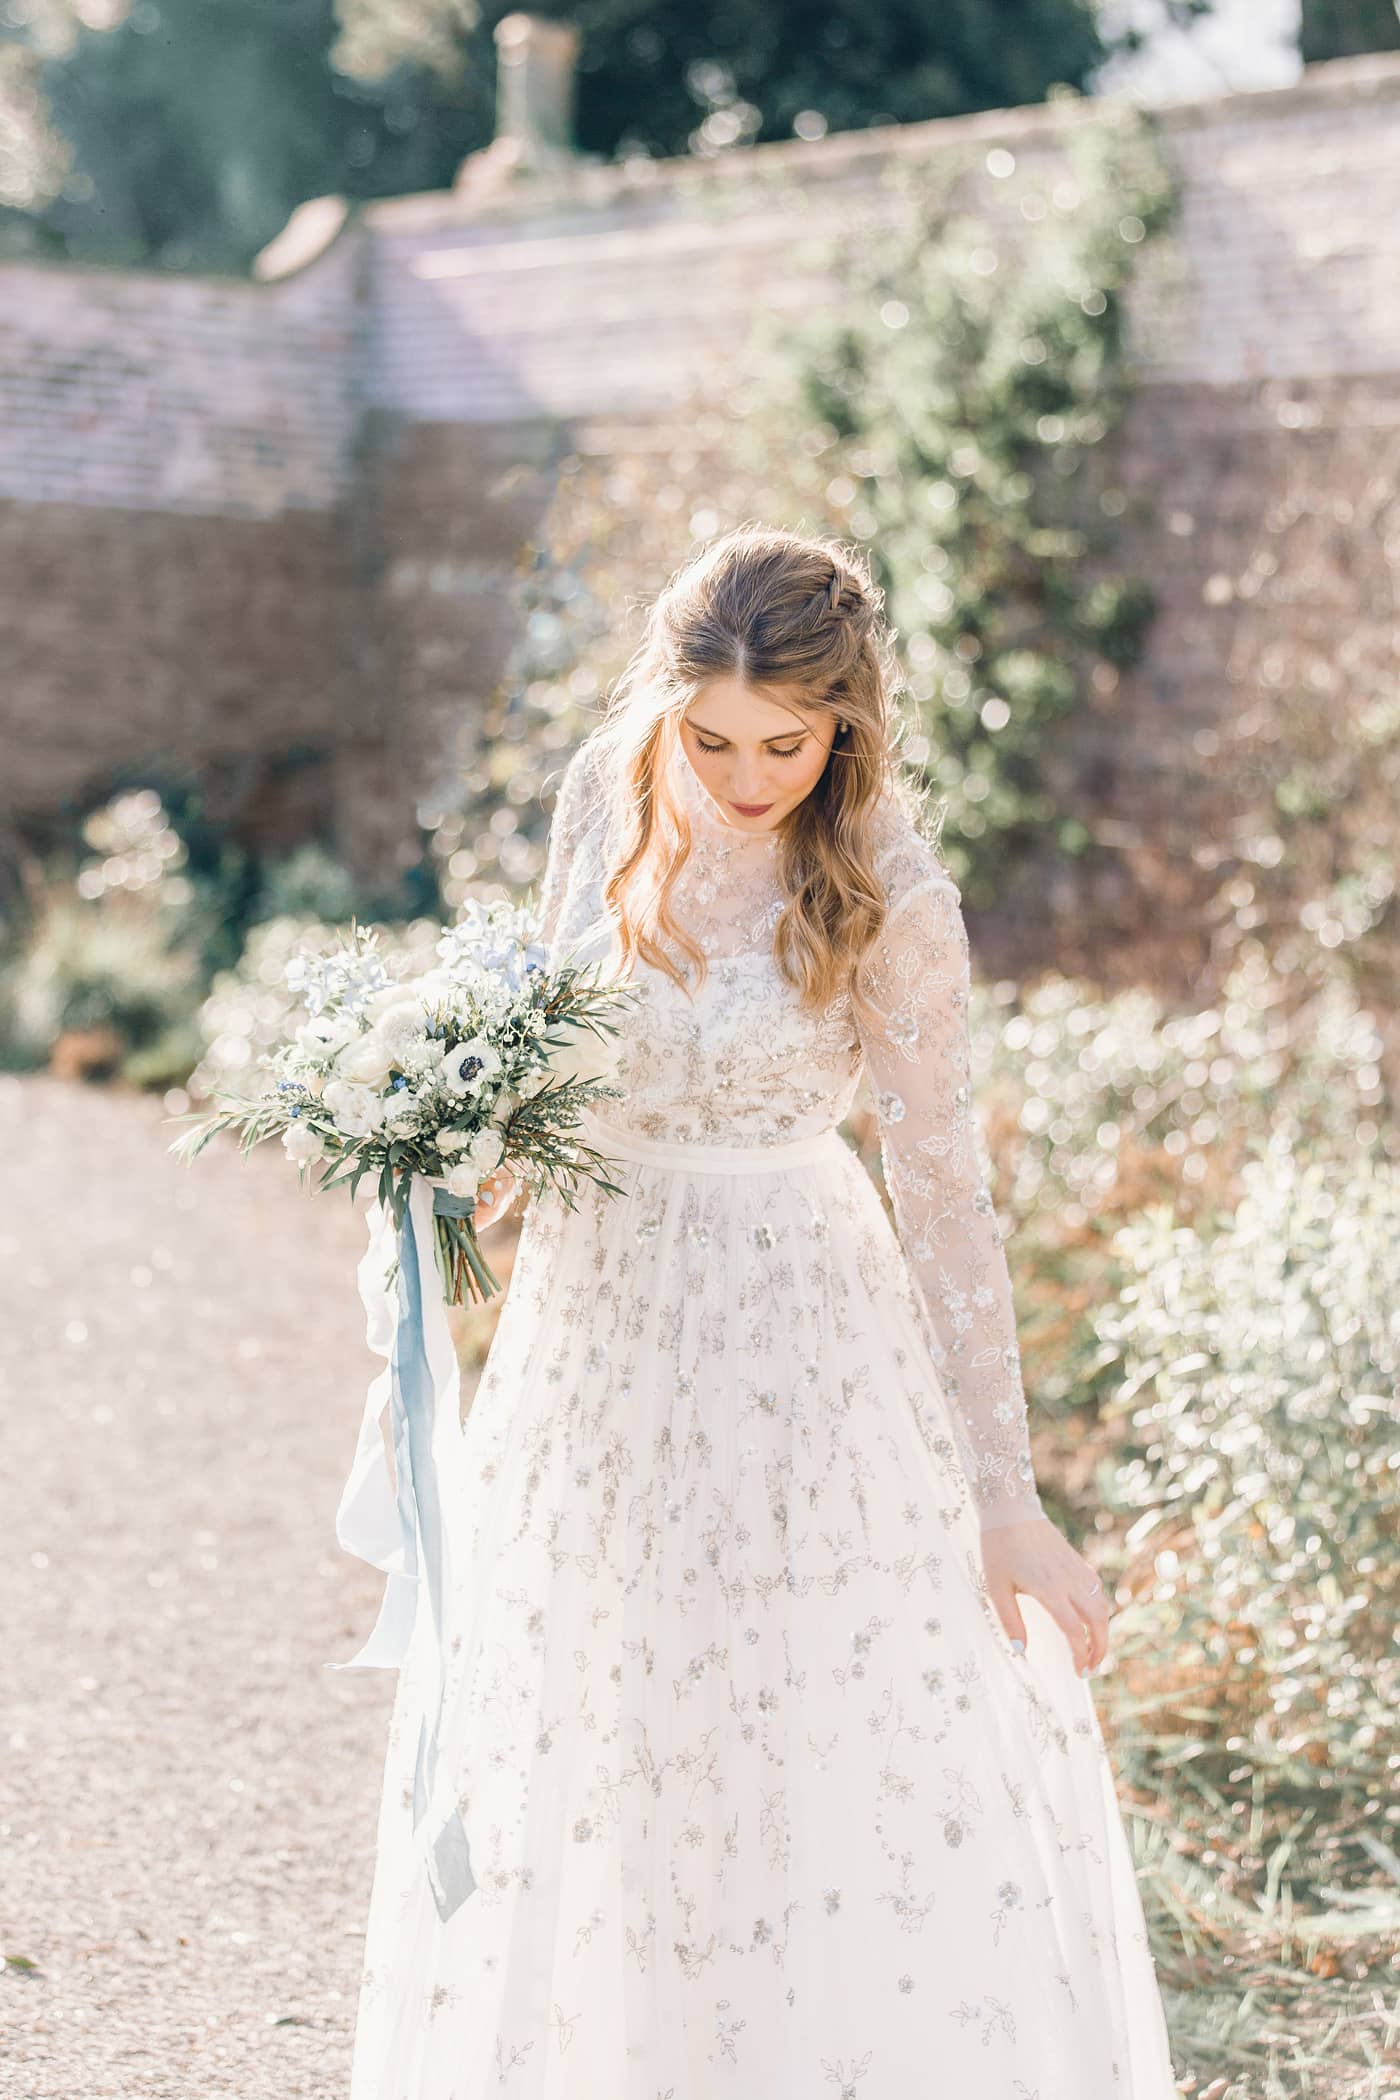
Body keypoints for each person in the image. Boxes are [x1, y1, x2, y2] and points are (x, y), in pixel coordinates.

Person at [347, 527, 1180, 2097]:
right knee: (604, 1720)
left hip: (801, 1335)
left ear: (846, 725)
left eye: (784, 746)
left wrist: (1006, 1501)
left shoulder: (893, 895)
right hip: (594, 1331)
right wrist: (448, 1155)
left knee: (783, 1732)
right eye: (710, 737)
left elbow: (944, 1195)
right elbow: (558, 1065)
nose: (741, 776)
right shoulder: (609, 794)